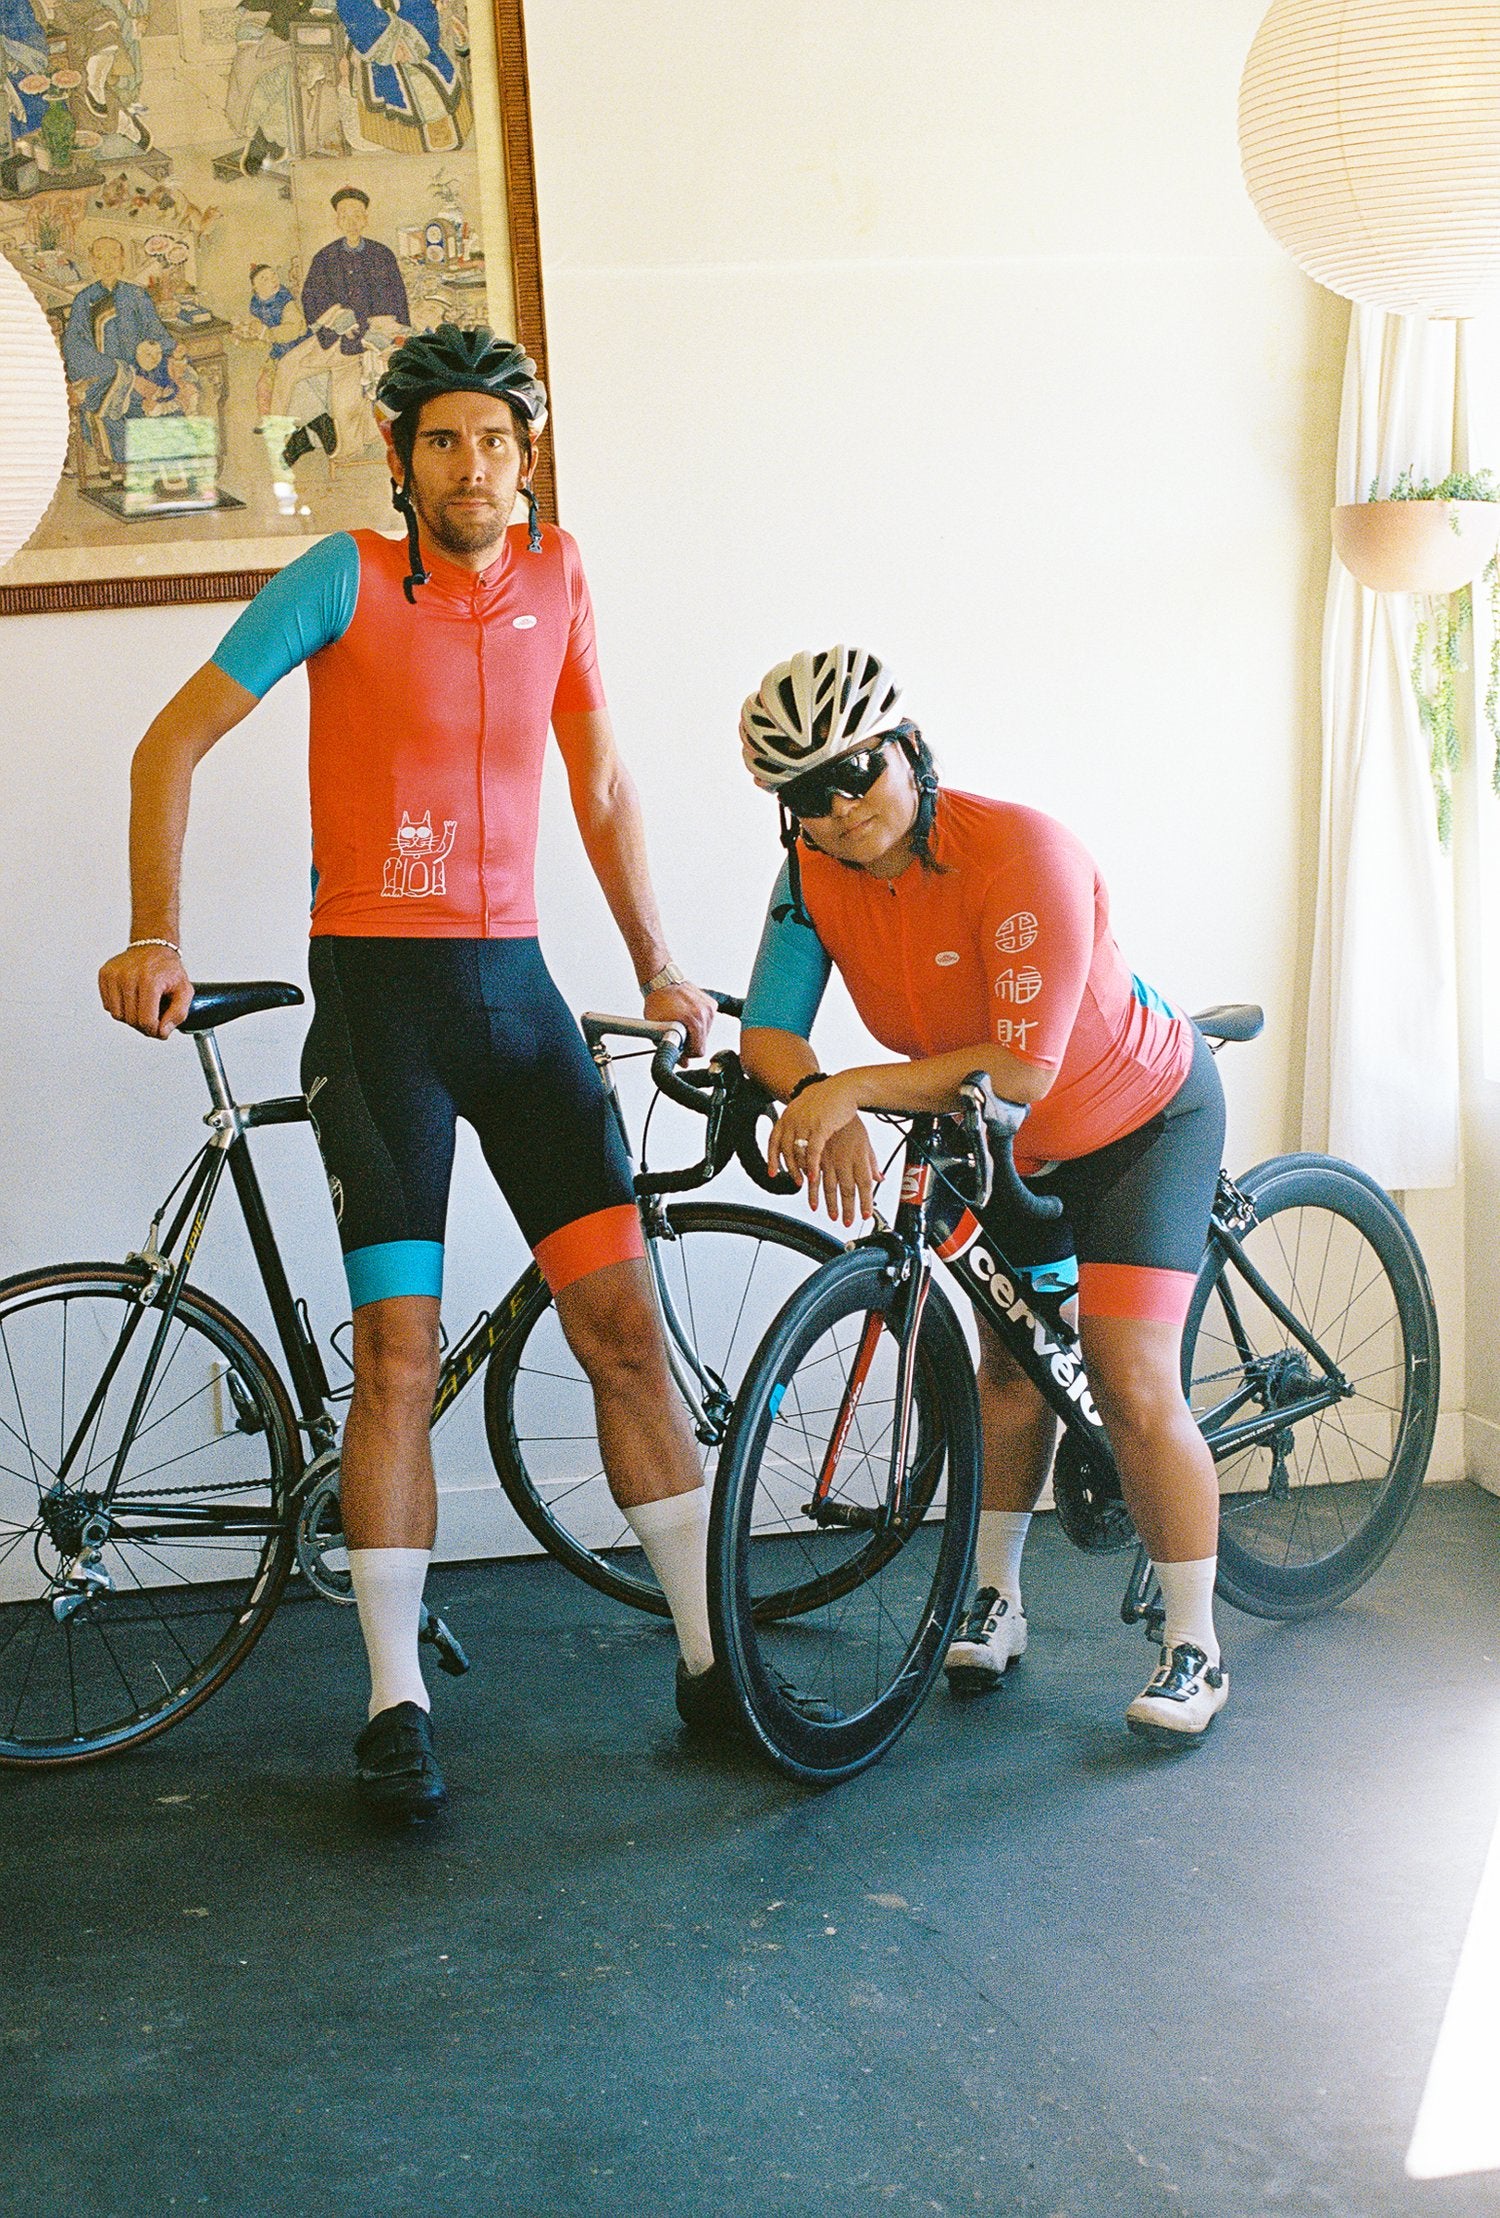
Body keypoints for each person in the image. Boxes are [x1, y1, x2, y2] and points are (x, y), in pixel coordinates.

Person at [98, 324, 746, 1818]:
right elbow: (169, 743)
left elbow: (600, 780)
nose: (476, 469)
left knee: (625, 1335)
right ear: (401, 461)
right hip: (381, 1009)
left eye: (498, 443)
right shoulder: (340, 576)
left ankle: (715, 1662)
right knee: (396, 1357)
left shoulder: (563, 577)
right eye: (445, 442)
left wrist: (658, 962)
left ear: (528, 456)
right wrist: (152, 932)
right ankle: (395, 1701)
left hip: (518, 1000)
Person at [735, 645, 1230, 1746]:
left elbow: (1022, 1070)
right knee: (1009, 1362)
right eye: (806, 794)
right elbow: (767, 1027)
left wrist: (854, 1088)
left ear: (909, 752)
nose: (840, 806)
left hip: (1135, 1122)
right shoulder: (811, 876)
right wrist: (816, 1093)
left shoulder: (1022, 853)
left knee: (1130, 1374)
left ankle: (1195, 1641)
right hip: (989, 1137)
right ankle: (997, 1597)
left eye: (856, 770)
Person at [294, 185, 409, 467]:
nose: (351, 220)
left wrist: (387, 328)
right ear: (337, 219)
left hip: (379, 336)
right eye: (344, 215)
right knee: (345, 394)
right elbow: (311, 297)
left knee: (383, 388)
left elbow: (396, 296)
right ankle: (349, 446)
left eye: (357, 214)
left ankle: (381, 440)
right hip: (345, 338)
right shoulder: (325, 257)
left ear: (366, 217)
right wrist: (337, 319)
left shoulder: (382, 254)